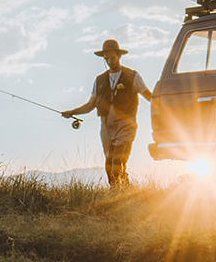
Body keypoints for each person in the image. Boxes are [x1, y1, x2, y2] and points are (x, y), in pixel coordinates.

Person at [62, 39, 152, 187]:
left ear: (119, 56)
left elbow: (148, 96)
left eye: (112, 58)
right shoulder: (99, 80)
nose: (109, 61)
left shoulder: (133, 76)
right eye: (107, 59)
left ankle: (120, 190)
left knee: (117, 160)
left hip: (126, 125)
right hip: (106, 128)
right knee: (110, 163)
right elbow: (90, 105)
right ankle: (120, 190)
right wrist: (72, 112)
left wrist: (166, 103)